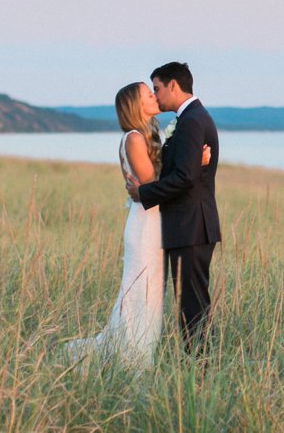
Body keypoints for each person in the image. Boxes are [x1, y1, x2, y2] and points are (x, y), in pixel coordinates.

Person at [64, 80, 210, 368]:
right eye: (148, 94)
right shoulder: (133, 138)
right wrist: (193, 163)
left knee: (151, 297)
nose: (155, 97)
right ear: (136, 105)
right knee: (140, 295)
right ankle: (128, 362)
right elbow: (152, 186)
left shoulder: (146, 135)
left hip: (154, 223)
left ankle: (137, 358)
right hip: (145, 226)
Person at [126, 61, 221, 355]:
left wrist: (143, 193)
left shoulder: (192, 120)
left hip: (191, 227)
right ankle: (199, 365)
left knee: (192, 309)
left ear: (173, 86)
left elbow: (184, 178)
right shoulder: (190, 118)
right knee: (191, 306)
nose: (156, 96)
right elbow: (185, 170)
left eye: (157, 88)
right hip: (188, 227)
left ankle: (201, 369)